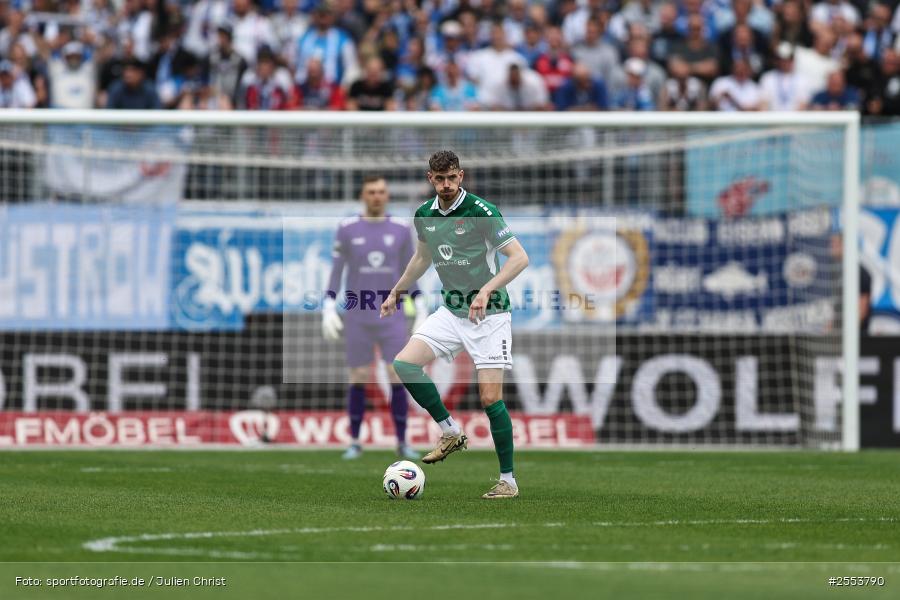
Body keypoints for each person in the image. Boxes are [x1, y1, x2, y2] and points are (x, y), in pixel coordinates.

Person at [381, 150, 530, 500]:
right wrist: (397, 292)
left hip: (490, 315)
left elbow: (519, 258)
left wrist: (487, 290)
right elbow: (422, 257)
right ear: (430, 178)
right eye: (439, 178)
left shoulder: (482, 212)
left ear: (461, 176)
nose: (446, 184)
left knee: (490, 399)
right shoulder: (424, 215)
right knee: (404, 363)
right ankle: (450, 431)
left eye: (452, 178)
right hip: (451, 311)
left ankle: (508, 481)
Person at [325, 175, 425, 461]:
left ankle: (402, 442)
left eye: (382, 191)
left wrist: (421, 307)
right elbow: (336, 270)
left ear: (387, 195)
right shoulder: (346, 229)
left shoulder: (401, 229)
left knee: (398, 375)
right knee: (357, 376)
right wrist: (328, 306)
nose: (377, 196)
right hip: (357, 315)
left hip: (391, 316)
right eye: (372, 192)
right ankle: (355, 441)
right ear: (363, 195)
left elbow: (411, 271)